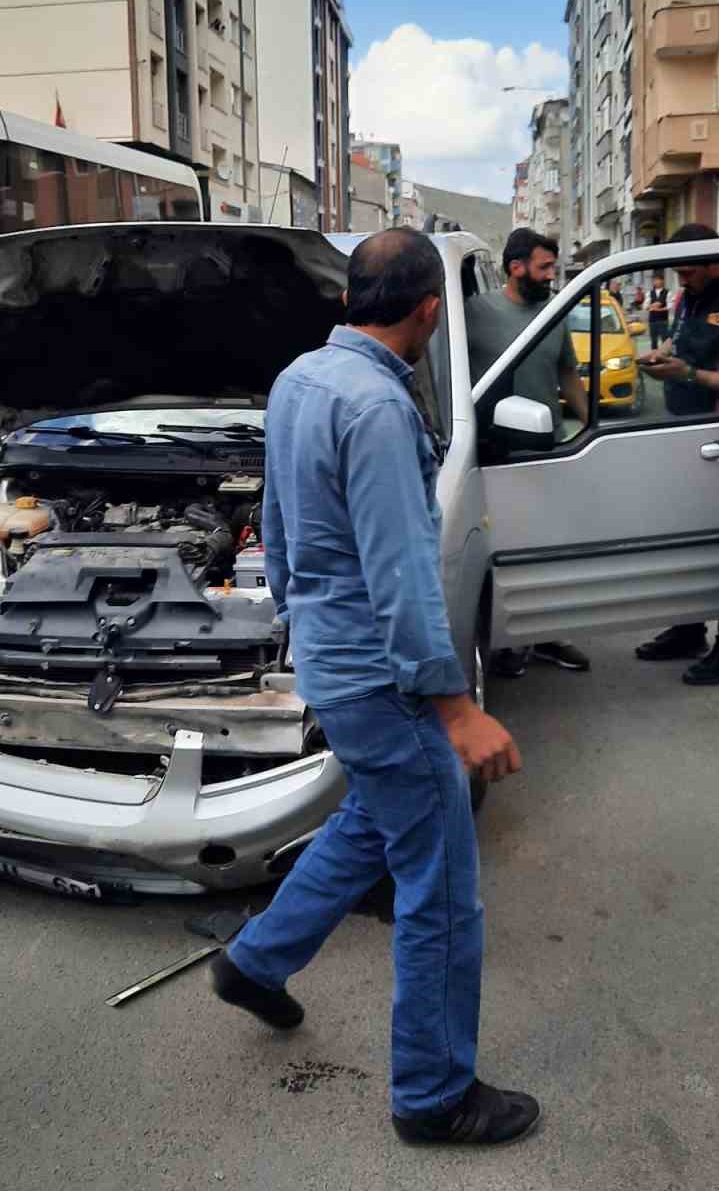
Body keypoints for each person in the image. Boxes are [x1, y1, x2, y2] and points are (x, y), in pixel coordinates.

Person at [210, 229, 540, 1150]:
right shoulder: (379, 409)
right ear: (431, 308)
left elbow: (271, 528)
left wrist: (305, 626)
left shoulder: (299, 380)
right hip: (384, 679)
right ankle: (434, 1094)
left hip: (333, 665)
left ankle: (255, 962)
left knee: (371, 825)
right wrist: (457, 706)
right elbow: (401, 574)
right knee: (439, 886)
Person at [464, 227, 590, 674]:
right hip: (494, 453)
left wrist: (593, 426)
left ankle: (546, 635)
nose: (552, 276)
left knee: (547, 549)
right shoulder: (474, 313)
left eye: (553, 267)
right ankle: (502, 642)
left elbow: (567, 373)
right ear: (516, 267)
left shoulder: (553, 314)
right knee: (501, 550)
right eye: (544, 267)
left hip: (547, 450)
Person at [635, 224, 719, 685]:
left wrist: (688, 374)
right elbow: (682, 345)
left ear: (714, 263)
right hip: (681, 432)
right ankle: (689, 630)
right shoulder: (691, 300)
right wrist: (659, 355)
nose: (681, 281)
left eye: (689, 273)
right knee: (685, 541)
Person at [647, 271, 670, 350]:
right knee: (654, 341)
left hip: (663, 320)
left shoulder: (667, 292)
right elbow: (645, 306)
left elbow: (670, 306)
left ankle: (665, 357)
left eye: (657, 280)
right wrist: (655, 305)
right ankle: (654, 358)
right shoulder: (649, 293)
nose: (656, 282)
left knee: (664, 340)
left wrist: (658, 309)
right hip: (652, 320)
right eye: (654, 280)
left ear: (662, 281)